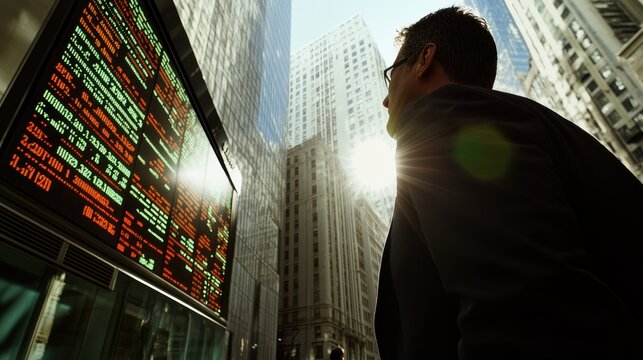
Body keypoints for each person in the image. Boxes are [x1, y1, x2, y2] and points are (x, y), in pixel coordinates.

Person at [375, 5, 643, 360]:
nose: (385, 96)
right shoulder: (502, 120)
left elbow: (532, 319)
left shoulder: (448, 122)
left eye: (392, 73)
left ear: (425, 59)